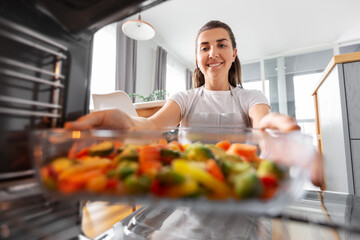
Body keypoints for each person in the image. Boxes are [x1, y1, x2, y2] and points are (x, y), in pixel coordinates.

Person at [65, 20, 321, 186]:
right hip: (188, 191)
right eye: (204, 47)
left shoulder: (250, 97)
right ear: (197, 57)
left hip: (238, 192)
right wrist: (126, 122)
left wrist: (275, 132)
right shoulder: (185, 98)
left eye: (221, 45)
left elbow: (262, 122)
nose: (213, 53)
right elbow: (152, 125)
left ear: (233, 54)